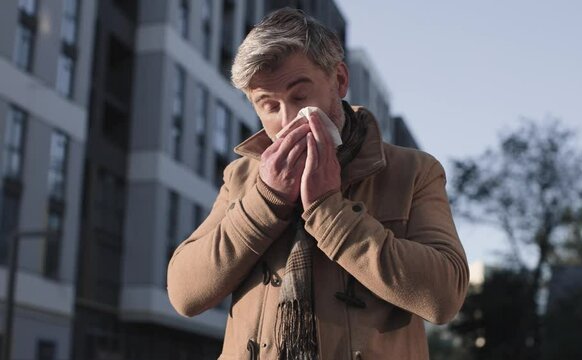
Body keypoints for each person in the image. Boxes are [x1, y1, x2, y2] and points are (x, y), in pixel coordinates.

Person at [167, 8, 469, 360]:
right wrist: (266, 201)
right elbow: (184, 294)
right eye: (268, 106)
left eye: (300, 97)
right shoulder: (241, 178)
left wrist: (329, 209)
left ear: (339, 81)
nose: (287, 120)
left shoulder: (412, 170)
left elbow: (444, 297)